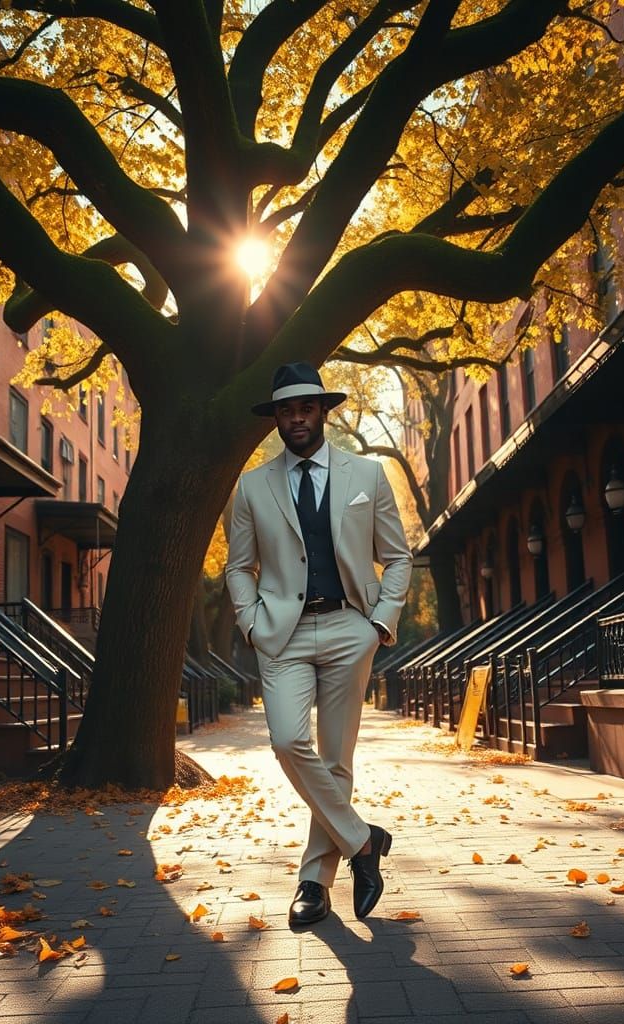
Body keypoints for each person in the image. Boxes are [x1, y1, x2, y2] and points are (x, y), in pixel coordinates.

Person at [226, 362, 412, 925]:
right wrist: (250, 623)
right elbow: (238, 567)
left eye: (306, 407)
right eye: (286, 410)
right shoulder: (252, 485)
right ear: (276, 419)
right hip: (280, 634)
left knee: (335, 758)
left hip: (349, 627)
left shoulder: (368, 475)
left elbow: (397, 557)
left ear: (322, 412)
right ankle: (362, 841)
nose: (297, 418)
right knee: (288, 740)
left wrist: (379, 623)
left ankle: (314, 881)